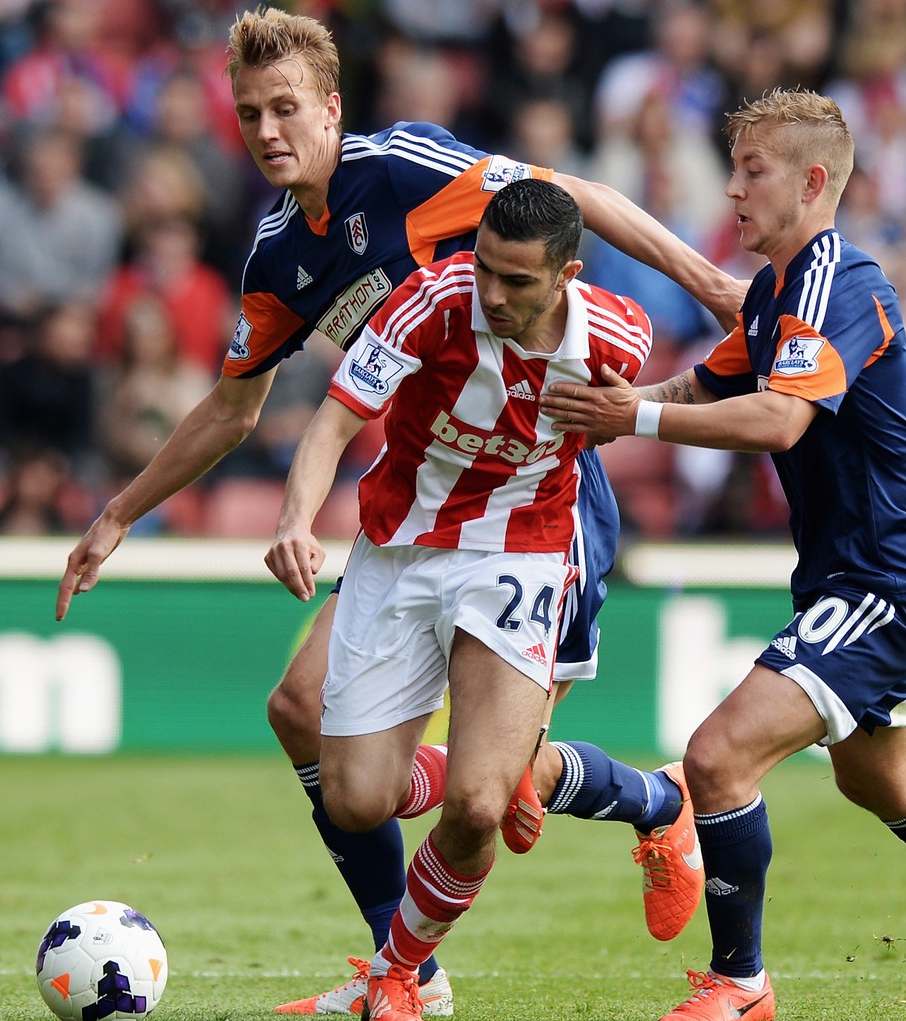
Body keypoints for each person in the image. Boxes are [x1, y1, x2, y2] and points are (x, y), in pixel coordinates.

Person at [55, 7, 736, 1015]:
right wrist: (119, 511)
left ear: (331, 109)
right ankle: (404, 963)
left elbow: (571, 199)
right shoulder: (281, 255)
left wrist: (715, 286)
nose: (268, 129)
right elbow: (237, 406)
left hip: (537, 496)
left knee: (492, 787)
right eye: (248, 114)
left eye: (286, 107)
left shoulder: (405, 169)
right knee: (304, 715)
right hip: (415, 507)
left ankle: (655, 804)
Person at [540, 89, 906, 1020]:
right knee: (878, 776)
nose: (734, 191)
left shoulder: (840, 279)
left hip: (884, 584)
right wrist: (609, 411)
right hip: (849, 577)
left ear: (813, 181)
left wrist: (640, 417)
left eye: (753, 172)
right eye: (735, 168)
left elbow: (780, 420)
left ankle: (740, 986)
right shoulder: (782, 292)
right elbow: (708, 384)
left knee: (716, 759)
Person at [264, 177, 651, 1021]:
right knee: (356, 799)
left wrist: (639, 416)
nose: (494, 294)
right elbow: (333, 421)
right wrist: (296, 519)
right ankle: (565, 778)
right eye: (485, 270)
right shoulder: (429, 301)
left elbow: (650, 409)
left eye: (518, 280)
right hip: (400, 552)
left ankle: (401, 974)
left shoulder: (618, 335)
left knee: (479, 805)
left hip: (520, 555)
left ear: (567, 275)